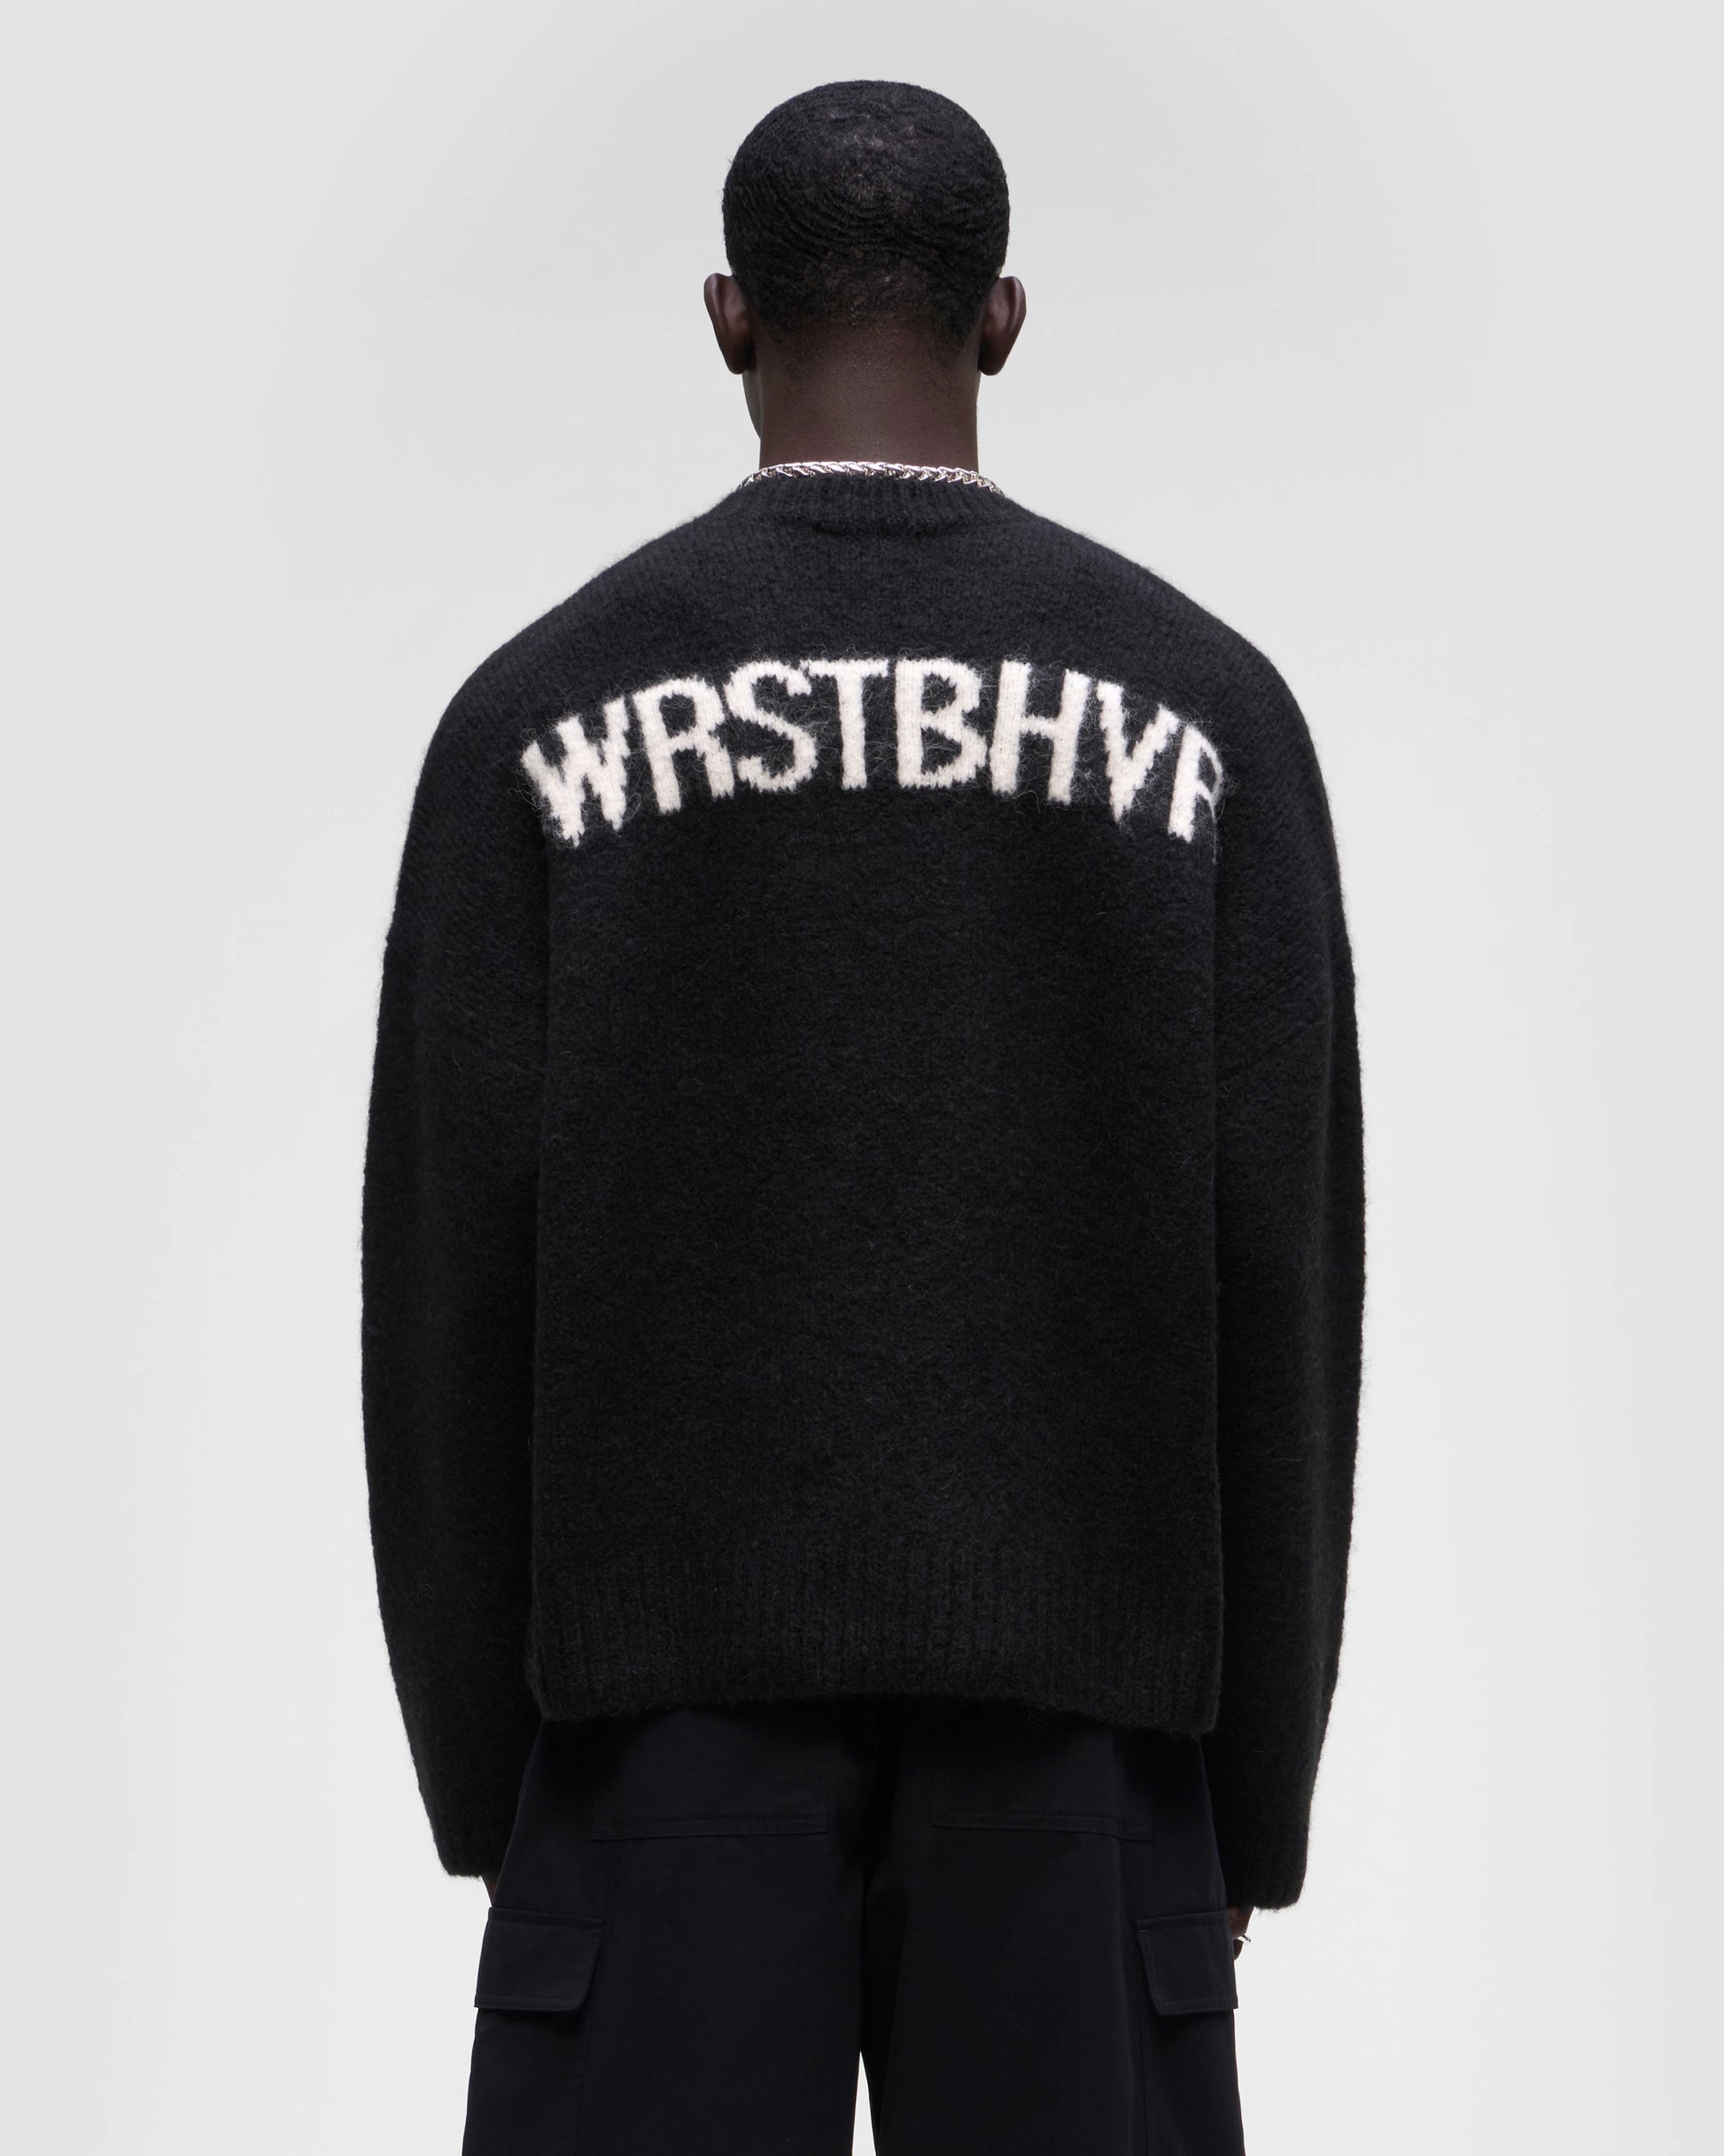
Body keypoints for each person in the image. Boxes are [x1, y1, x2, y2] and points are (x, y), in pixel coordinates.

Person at [361, 78, 1364, 2156]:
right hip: (1089, 1741)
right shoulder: (1205, 714)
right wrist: (1246, 1792)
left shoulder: (537, 716)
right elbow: (1281, 1273)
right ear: (1001, 318)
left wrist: (494, 1779)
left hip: (648, 1735)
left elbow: (448, 1281)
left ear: (729, 316)